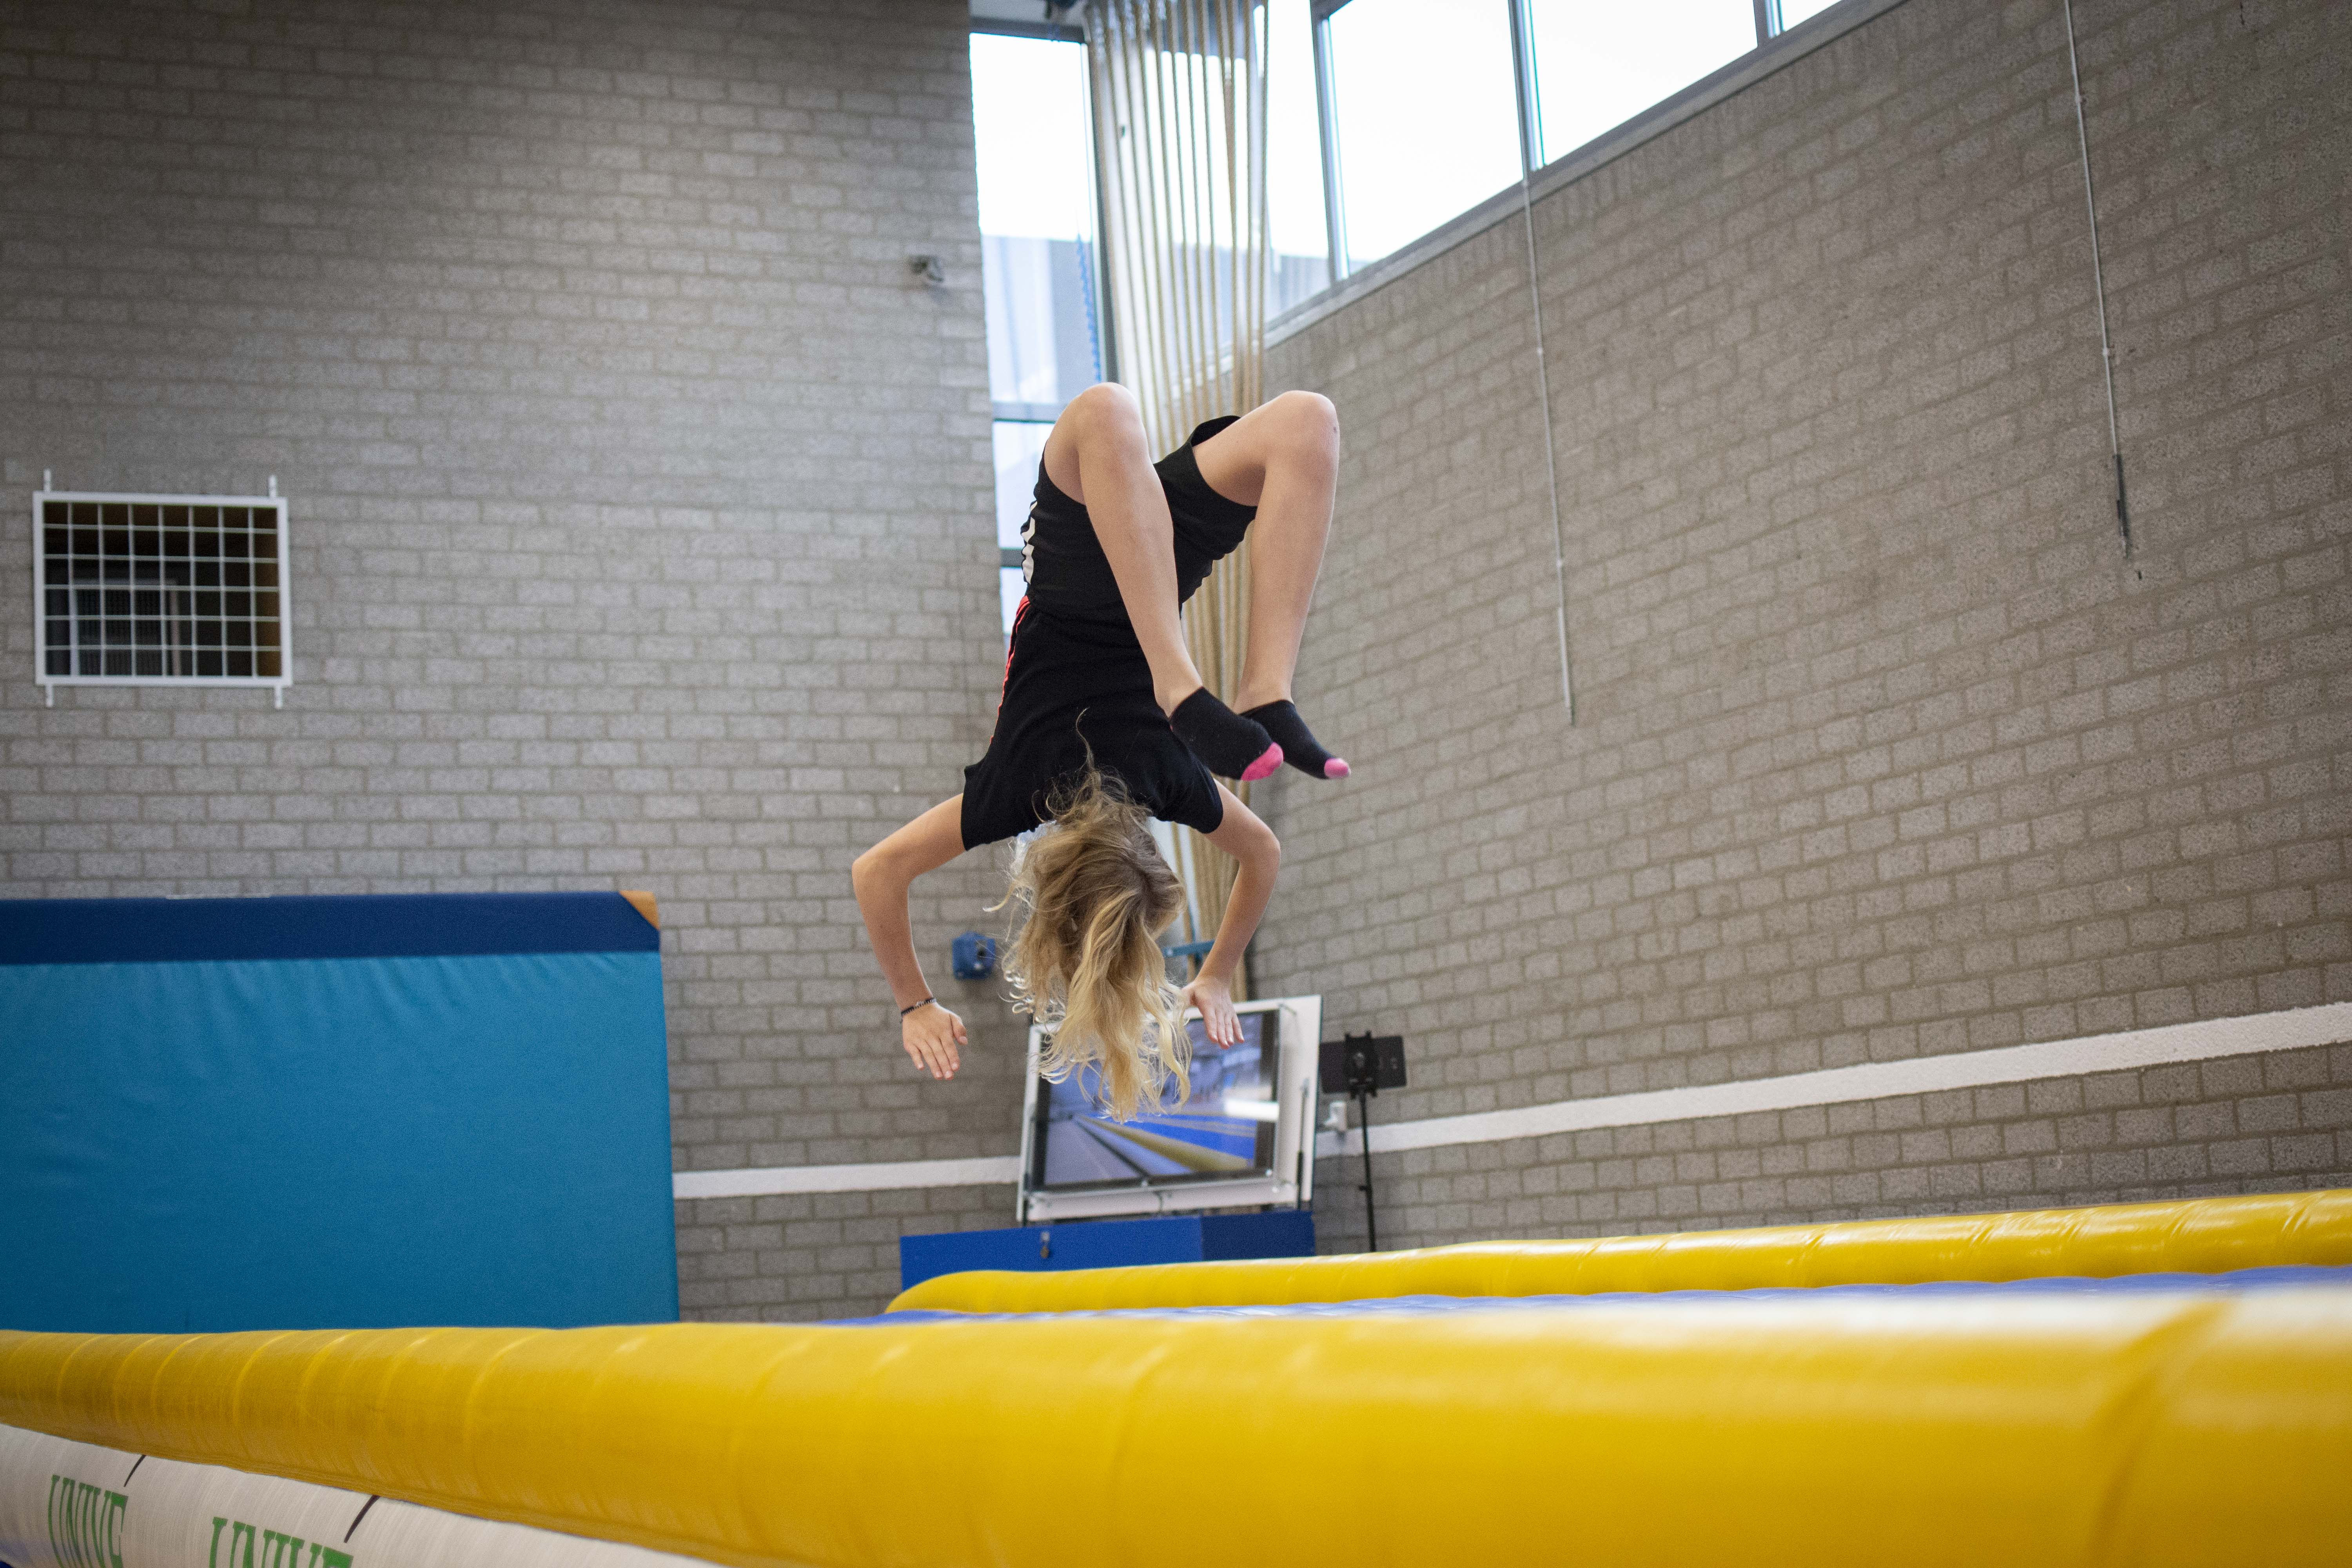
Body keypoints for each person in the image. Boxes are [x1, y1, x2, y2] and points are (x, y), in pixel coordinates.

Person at [850, 383, 1347, 1119]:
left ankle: (1189, 684)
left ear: (1146, 856)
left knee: (1297, 423)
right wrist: (911, 1003)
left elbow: (1262, 855)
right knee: (1173, 417)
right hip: (1129, 552)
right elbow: (877, 874)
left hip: (1102, 563)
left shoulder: (1160, 782)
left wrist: (1217, 974)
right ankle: (1263, 691)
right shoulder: (1017, 796)